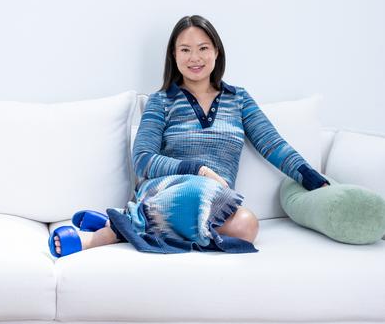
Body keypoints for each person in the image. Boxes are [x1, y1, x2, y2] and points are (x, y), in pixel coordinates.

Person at [49, 14, 329, 257]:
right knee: (198, 188)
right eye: (185, 50)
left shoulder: (238, 99)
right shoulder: (162, 102)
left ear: (216, 52)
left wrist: (314, 179)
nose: (194, 58)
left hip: (215, 200)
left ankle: (126, 223)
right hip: (167, 189)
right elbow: (143, 160)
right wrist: (199, 171)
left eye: (203, 48)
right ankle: (100, 236)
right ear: (174, 55)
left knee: (246, 226)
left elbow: (273, 145)